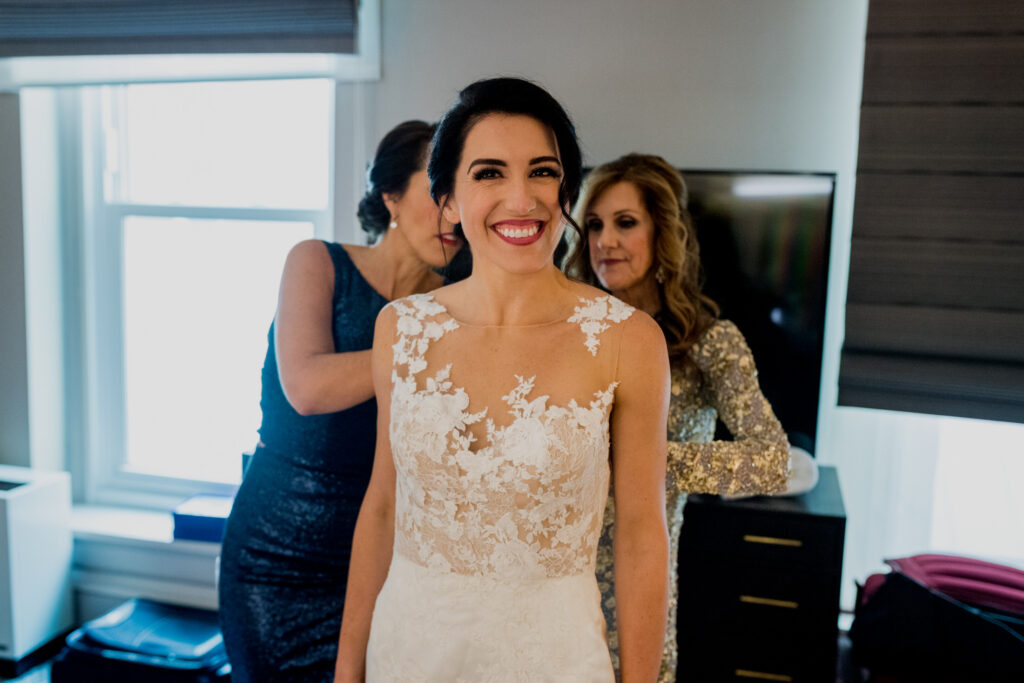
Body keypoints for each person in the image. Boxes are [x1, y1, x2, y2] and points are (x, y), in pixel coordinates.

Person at [334, 78, 670, 683]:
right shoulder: (401, 331)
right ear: (450, 199)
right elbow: (383, 507)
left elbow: (644, 536)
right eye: (490, 173)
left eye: (542, 172)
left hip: (556, 660)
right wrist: (347, 670)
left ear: (565, 188)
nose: (522, 198)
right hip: (408, 652)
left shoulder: (628, 339)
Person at [218, 120, 464, 682]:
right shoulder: (317, 262)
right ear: (391, 196)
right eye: (436, 193)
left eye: (461, 198)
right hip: (275, 556)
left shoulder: (456, 306)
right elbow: (308, 388)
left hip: (384, 562)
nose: (452, 216)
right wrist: (437, 350)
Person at [568, 153, 791, 682]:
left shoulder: (711, 344)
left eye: (625, 223)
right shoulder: (572, 336)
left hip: (637, 588)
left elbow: (772, 461)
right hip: (555, 580)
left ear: (662, 233)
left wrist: (649, 461)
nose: (605, 241)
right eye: (594, 225)